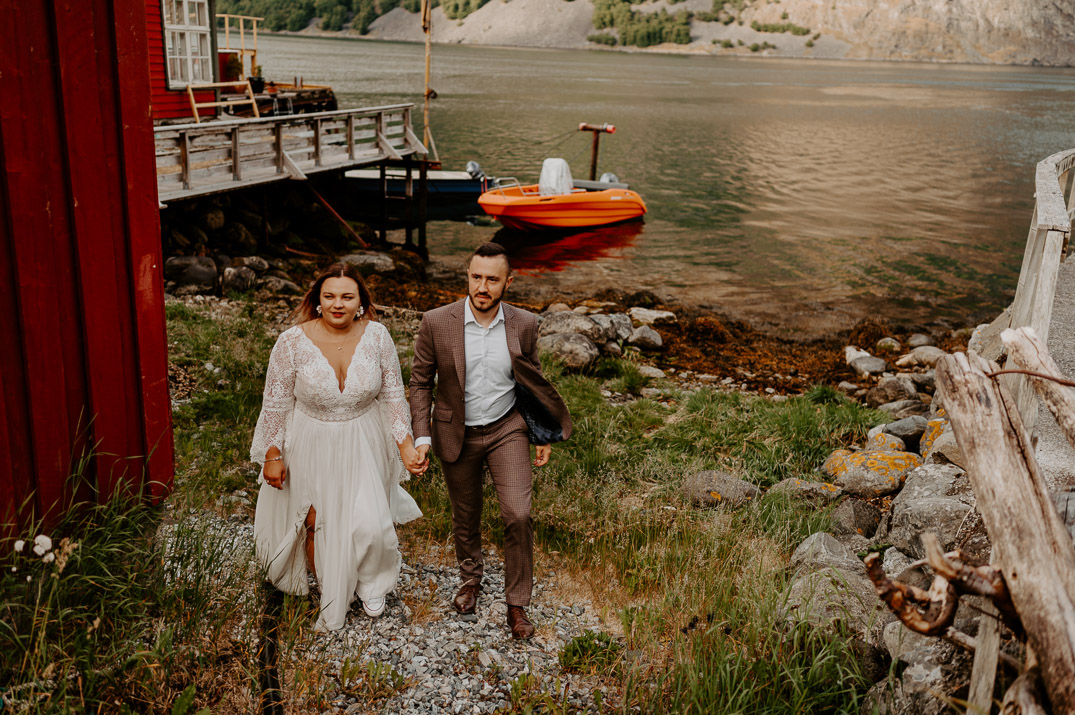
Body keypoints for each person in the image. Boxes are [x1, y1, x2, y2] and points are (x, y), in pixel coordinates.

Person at [250, 263, 427, 631]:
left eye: (347, 296)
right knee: (317, 521)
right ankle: (331, 588)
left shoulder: (378, 336)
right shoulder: (291, 342)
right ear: (318, 300)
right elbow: (275, 403)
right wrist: (273, 454)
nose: (337, 304)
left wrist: (406, 447)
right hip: (310, 440)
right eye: (329, 296)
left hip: (363, 437)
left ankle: (371, 582)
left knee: (371, 522)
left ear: (360, 302)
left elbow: (394, 396)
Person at [409, 242, 572, 639]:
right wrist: (422, 436)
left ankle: (517, 603)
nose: (482, 287)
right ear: (467, 276)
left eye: (492, 280)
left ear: (508, 283)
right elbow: (420, 382)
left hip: (506, 428)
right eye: (476, 277)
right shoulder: (436, 321)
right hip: (455, 430)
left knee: (518, 513)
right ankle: (470, 580)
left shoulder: (524, 324)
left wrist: (541, 433)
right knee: (465, 515)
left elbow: (531, 382)